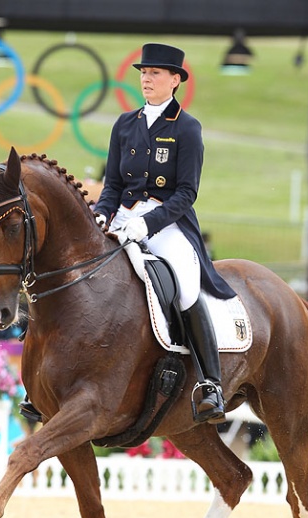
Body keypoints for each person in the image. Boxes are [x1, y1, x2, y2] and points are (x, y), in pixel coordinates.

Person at [93, 42, 237, 424]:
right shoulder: (125, 124)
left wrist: (148, 223)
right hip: (124, 217)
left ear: (175, 80)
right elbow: (111, 184)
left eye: (155, 73)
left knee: (187, 286)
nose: (146, 78)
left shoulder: (187, 128)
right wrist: (102, 215)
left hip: (167, 223)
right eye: (143, 72)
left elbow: (187, 193)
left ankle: (211, 383)